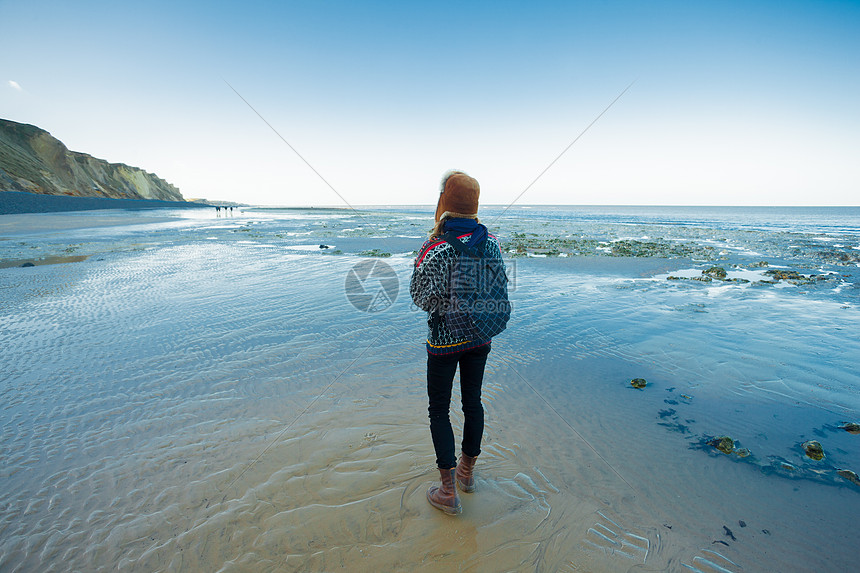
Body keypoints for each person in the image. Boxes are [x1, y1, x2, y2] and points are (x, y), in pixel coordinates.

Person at [409, 170, 506, 515]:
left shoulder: (435, 247)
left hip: (444, 342)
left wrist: (448, 305)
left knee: (439, 409)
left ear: (443, 203)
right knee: (473, 403)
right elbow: (495, 288)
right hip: (481, 337)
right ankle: (466, 474)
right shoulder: (491, 241)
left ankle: (447, 490)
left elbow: (419, 296)